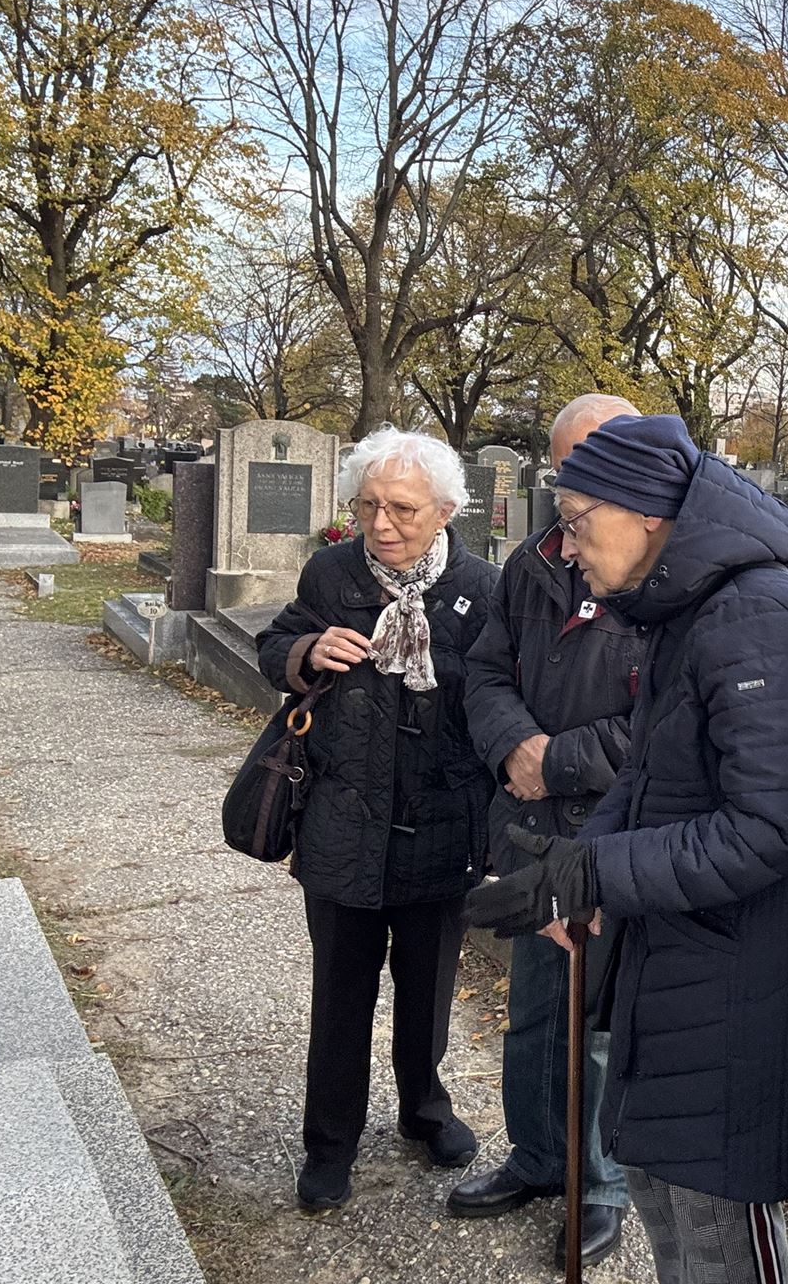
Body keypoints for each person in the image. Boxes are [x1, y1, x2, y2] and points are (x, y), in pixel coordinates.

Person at [461, 413, 788, 1284]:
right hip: (686, 958)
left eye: (576, 521)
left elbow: (769, 826)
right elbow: (651, 774)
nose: (567, 547)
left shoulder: (755, 617)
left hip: (746, 978)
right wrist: (575, 875)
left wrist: (596, 869)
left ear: (647, 512)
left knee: (718, 1232)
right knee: (668, 1201)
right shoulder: (687, 612)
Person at [255, 427, 499, 1213]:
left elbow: (503, 699)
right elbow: (275, 643)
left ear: (445, 511)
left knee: (428, 993)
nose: (381, 524)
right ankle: (329, 1144)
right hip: (343, 823)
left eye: (401, 509)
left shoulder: (482, 590)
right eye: (367, 506)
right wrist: (304, 651)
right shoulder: (331, 573)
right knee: (341, 996)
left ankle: (425, 1112)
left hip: (441, 825)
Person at [448, 395, 645, 1269]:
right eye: (564, 468)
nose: (570, 489)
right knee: (532, 1010)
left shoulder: (658, 575)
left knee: (597, 1021)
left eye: (588, 470)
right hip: (529, 827)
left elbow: (665, 722)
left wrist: (557, 760)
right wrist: (513, 746)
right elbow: (486, 671)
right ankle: (536, 1156)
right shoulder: (532, 562)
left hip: (608, 831)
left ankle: (600, 1181)